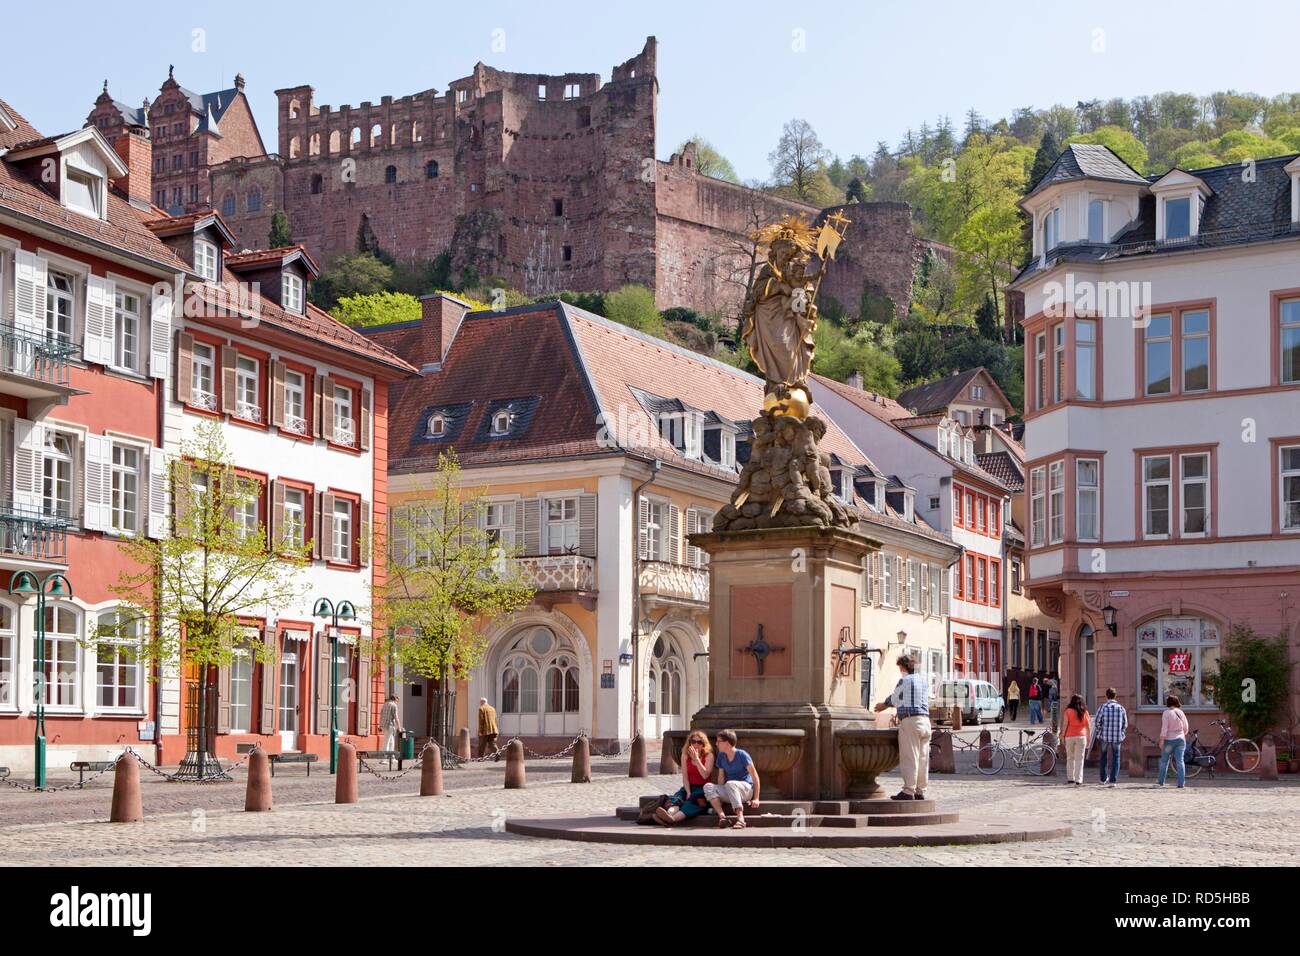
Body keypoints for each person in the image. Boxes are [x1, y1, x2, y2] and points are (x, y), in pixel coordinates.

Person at [874, 653, 932, 800]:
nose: (899, 670)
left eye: (900, 667)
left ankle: (908, 791)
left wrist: (883, 705)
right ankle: (920, 791)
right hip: (925, 721)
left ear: (904, 667)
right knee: (923, 759)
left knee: (910, 757)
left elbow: (895, 698)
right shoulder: (923, 681)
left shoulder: (905, 680)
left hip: (911, 721)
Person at [655, 730, 715, 826]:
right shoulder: (685, 755)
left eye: (699, 742)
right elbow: (685, 777)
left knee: (691, 803)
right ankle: (668, 815)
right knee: (676, 799)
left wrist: (697, 759)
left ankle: (672, 820)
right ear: (689, 743)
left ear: (704, 744)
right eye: (693, 741)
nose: (696, 744)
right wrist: (688, 792)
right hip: (689, 786)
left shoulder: (709, 756)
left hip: (703, 788)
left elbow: (705, 775)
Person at [704, 729, 760, 829]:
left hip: (746, 790)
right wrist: (719, 794)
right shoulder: (721, 756)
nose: (716, 744)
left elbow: (755, 777)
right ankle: (722, 818)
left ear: (727, 743)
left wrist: (756, 798)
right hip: (730, 789)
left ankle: (741, 819)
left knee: (730, 783)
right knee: (708, 786)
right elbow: (721, 778)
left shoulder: (742, 755)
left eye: (719, 741)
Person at [1094, 687, 1128, 787]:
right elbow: (1125, 724)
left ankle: (1103, 779)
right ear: (1115, 695)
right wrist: (1120, 731)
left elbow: (1097, 722)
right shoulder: (1121, 708)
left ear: (1106, 696)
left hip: (1104, 736)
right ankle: (1113, 781)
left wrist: (1101, 730)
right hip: (1117, 737)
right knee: (1116, 757)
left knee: (1103, 757)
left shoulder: (1103, 707)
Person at [1157, 694, 1189, 788]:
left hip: (1169, 741)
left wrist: (1162, 740)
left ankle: (1161, 781)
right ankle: (1181, 783)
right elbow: (1186, 728)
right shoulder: (1181, 712)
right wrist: (1181, 734)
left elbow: (1164, 728)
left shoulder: (1166, 713)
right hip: (1181, 740)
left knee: (1164, 761)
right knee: (1180, 761)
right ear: (1177, 702)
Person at [1061, 693, 1091, 785]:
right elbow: (1088, 726)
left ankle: (1070, 778)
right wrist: (1088, 737)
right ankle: (1079, 780)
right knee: (1080, 759)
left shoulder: (1068, 711)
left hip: (1069, 736)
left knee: (1070, 758)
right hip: (1081, 736)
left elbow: (1065, 724)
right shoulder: (1084, 711)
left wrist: (1062, 735)